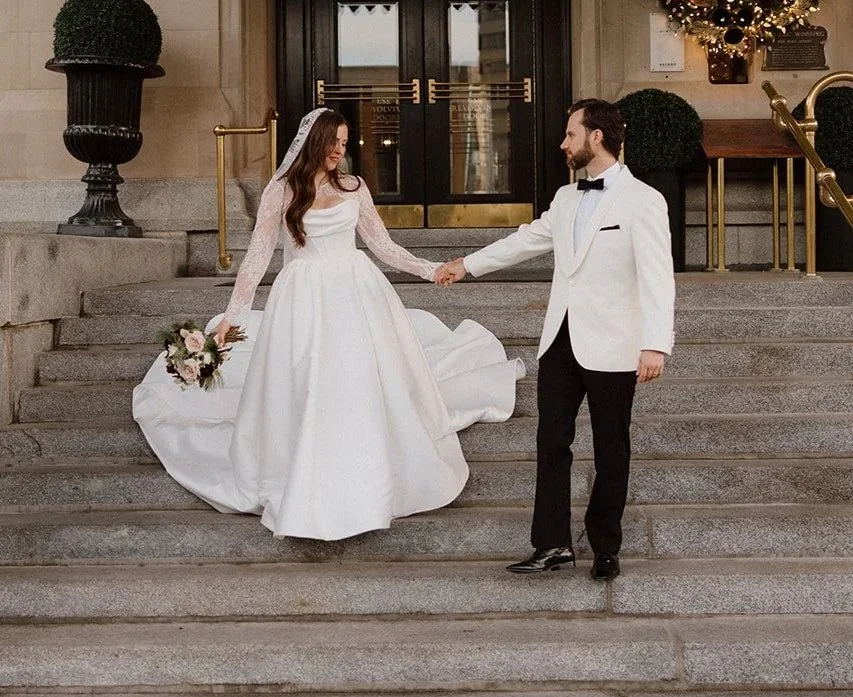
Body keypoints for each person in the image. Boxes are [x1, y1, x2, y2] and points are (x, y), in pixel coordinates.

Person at [133, 108, 523, 541]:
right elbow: (258, 257)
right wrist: (232, 316)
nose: (341, 149)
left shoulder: (355, 187)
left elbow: (383, 245)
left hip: (357, 292)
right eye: (334, 141)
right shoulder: (280, 191)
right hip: (303, 295)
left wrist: (431, 270)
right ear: (314, 141)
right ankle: (305, 466)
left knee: (357, 378)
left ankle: (364, 469)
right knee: (307, 379)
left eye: (345, 141)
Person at [435, 98, 675, 580]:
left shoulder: (643, 200)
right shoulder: (567, 199)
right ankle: (551, 545)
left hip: (614, 346)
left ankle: (606, 546)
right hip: (560, 342)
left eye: (570, 134)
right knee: (551, 444)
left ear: (596, 138)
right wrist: (467, 265)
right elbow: (524, 240)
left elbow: (658, 276)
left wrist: (656, 343)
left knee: (612, 449)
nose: (562, 144)